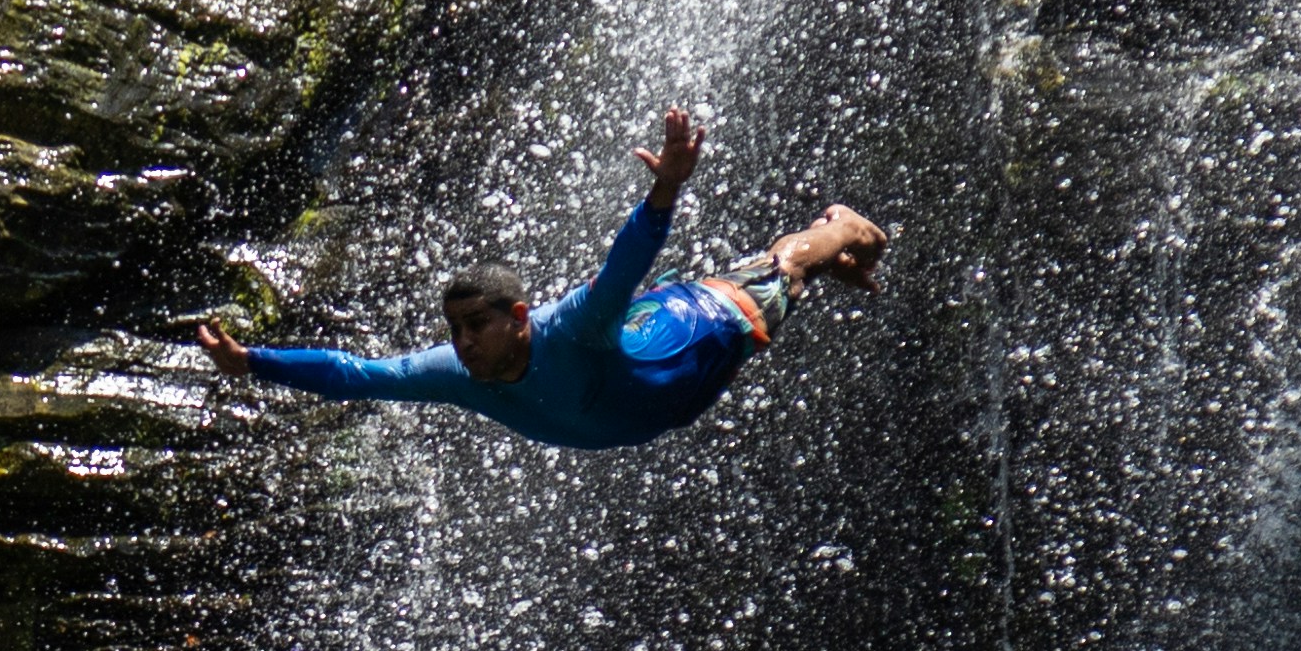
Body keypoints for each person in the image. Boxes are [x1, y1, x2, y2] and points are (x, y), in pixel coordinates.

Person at [194, 106, 885, 451]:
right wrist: (252, 362)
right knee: (779, 276)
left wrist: (666, 189)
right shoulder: (456, 375)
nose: (462, 342)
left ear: (519, 316)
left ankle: (845, 228)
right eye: (455, 329)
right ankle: (830, 254)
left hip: (704, 327)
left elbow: (622, 266)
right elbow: (355, 374)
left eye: (475, 325)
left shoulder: (570, 326)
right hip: (662, 383)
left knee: (789, 269)